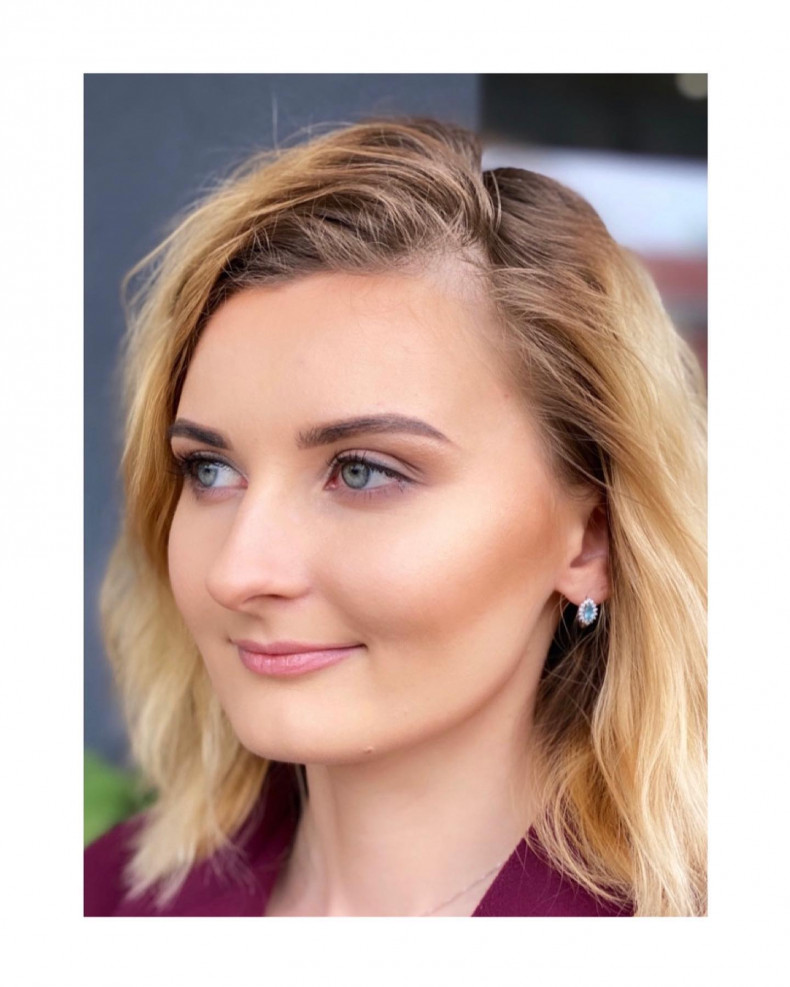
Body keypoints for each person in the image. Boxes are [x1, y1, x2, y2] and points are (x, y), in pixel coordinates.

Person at [84, 117, 707, 917]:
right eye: (210, 468)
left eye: (362, 471)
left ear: (591, 539)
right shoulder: (100, 900)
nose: (237, 571)